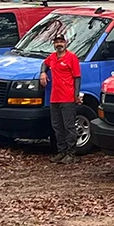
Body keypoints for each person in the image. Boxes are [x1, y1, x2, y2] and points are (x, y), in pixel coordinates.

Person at [40, 34, 82, 164]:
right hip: (54, 98)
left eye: (61, 42)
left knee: (69, 126)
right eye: (56, 42)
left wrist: (76, 95)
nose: (59, 44)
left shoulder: (72, 57)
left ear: (66, 43)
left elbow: (77, 77)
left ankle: (71, 153)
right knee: (57, 126)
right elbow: (44, 63)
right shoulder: (52, 57)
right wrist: (42, 73)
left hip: (68, 97)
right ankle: (61, 151)